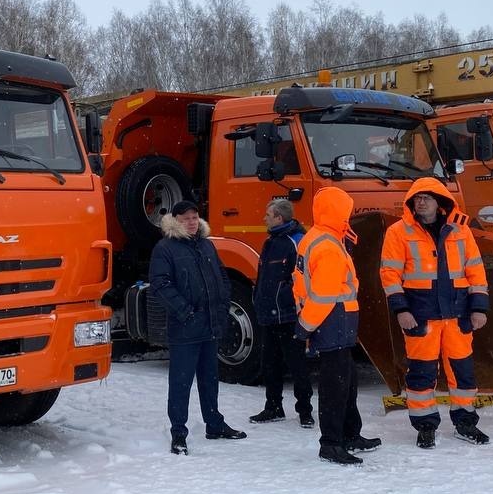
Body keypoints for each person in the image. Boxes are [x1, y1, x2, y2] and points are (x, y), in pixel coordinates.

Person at [380, 178, 491, 449]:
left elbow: (475, 270)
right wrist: (401, 310)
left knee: (462, 373)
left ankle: (465, 423)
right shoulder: (398, 232)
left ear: (439, 201)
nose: (421, 202)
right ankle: (425, 426)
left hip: (458, 314)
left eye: (427, 198)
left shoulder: (461, 231)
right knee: (421, 374)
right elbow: (389, 274)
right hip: (420, 315)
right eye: (417, 198)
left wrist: (479, 308)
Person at [149, 199, 248, 455]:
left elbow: (222, 276)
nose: (191, 222)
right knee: (181, 383)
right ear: (175, 221)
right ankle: (178, 434)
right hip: (185, 327)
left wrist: (223, 303)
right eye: (185, 219)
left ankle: (214, 424)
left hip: (210, 324)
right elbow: (160, 284)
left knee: (210, 379)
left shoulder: (206, 245)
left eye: (194, 217)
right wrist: (186, 311)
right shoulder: (165, 248)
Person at [292, 186, 382, 465]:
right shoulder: (328, 245)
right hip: (333, 321)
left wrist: (305, 324)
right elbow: (324, 294)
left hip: (335, 321)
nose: (350, 215)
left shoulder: (321, 238)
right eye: (347, 209)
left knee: (347, 381)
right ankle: (331, 443)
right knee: (336, 385)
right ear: (338, 211)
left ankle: (349, 434)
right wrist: (305, 327)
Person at [249, 198, 314, 427]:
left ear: (279, 217)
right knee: (271, 364)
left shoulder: (296, 241)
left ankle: (305, 411)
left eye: (268, 214)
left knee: (297, 365)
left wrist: (285, 298)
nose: (264, 218)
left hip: (288, 315)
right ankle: (273, 407)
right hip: (269, 315)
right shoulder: (270, 242)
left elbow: (303, 277)